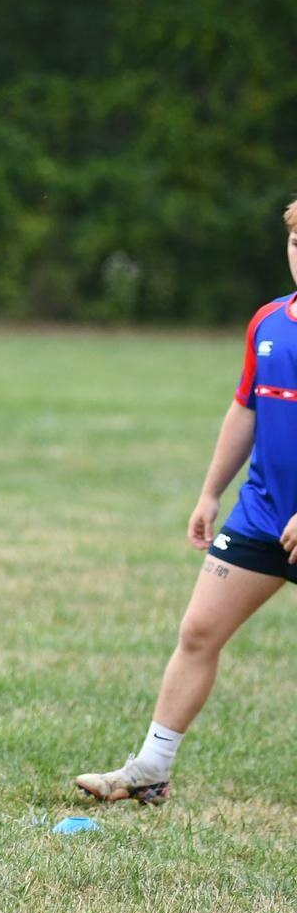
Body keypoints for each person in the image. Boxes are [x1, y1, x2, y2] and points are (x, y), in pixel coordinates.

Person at [76, 201, 297, 804]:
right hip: (263, 511)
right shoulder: (269, 322)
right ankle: (151, 768)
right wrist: (210, 491)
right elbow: (246, 408)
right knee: (199, 630)